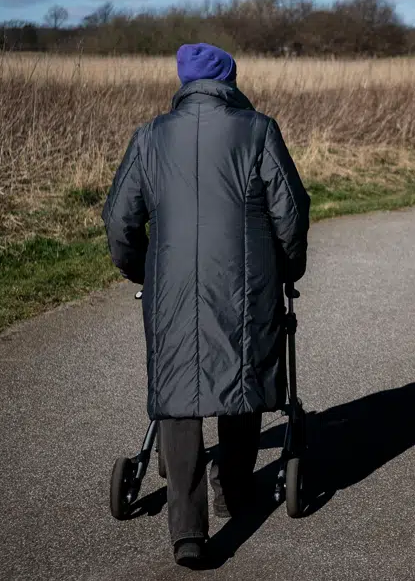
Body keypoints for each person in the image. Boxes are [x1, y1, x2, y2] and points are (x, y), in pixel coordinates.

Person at [102, 42, 310, 569]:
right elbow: (291, 212)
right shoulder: (257, 129)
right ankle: (235, 493)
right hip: (246, 284)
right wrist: (288, 271)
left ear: (183, 81)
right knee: (239, 374)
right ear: (230, 80)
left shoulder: (150, 137)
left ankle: (188, 532)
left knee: (178, 391)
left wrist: (141, 267)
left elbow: (119, 220)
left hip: (170, 285)